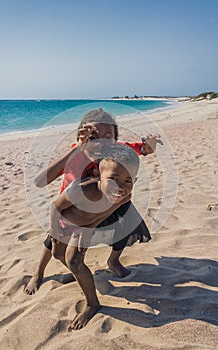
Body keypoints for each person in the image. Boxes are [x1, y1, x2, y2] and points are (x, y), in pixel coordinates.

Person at [24, 108, 162, 295]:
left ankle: (113, 261)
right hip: (73, 208)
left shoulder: (115, 151)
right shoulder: (76, 154)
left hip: (106, 206)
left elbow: (142, 149)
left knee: (125, 226)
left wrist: (149, 146)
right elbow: (40, 182)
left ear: (115, 139)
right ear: (81, 136)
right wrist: (78, 149)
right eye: (93, 136)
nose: (102, 142)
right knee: (53, 243)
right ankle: (38, 274)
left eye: (108, 136)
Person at [49, 143, 140, 330]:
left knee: (74, 260)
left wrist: (90, 227)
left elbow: (103, 213)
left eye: (127, 181)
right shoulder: (82, 190)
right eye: (113, 178)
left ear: (134, 180)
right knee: (57, 255)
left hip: (84, 225)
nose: (120, 186)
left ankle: (92, 303)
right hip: (64, 222)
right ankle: (80, 274)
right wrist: (54, 230)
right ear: (98, 176)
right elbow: (55, 206)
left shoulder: (125, 197)